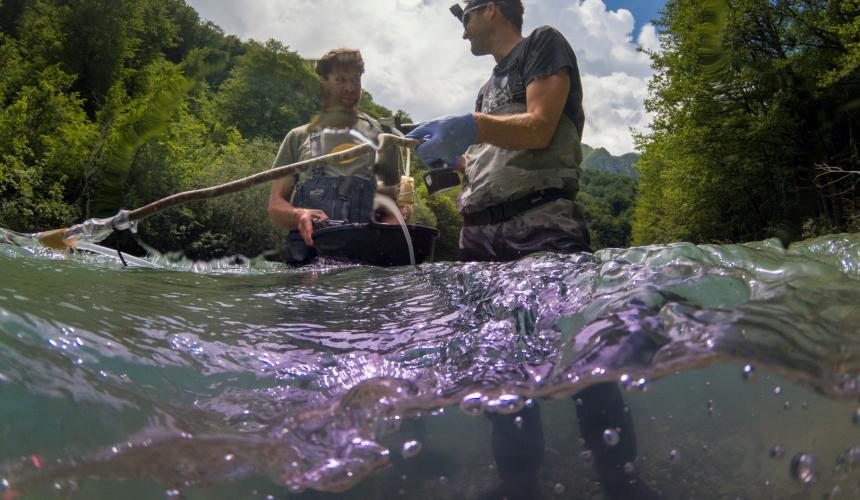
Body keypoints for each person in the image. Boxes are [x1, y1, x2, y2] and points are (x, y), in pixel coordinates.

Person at [406, 2, 657, 498]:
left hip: (540, 226)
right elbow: (487, 156)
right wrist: (449, 163)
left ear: (492, 9)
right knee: (501, 359)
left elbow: (541, 126)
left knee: (580, 353)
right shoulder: (486, 89)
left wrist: (473, 126)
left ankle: (619, 478)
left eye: (465, 17)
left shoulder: (543, 44)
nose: (462, 32)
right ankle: (517, 482)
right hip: (478, 237)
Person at [268, 48, 405, 264]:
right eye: (341, 79)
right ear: (324, 83)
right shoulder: (297, 138)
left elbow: (391, 209)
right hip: (307, 264)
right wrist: (299, 215)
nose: (350, 88)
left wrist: (390, 230)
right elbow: (276, 206)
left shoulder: (382, 139)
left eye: (355, 80)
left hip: (367, 266)